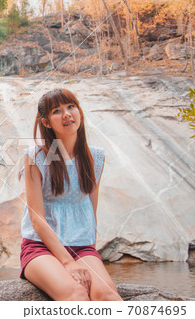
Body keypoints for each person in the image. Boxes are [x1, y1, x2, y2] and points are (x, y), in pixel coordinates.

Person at [19, 88, 122, 301]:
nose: (66, 114)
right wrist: (67, 263)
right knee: (76, 293)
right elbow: (37, 219)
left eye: (70, 107)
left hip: (81, 247)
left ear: (79, 111)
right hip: (40, 247)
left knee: (107, 295)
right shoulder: (35, 157)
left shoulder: (95, 157)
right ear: (46, 122)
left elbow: (90, 210)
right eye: (57, 111)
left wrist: (89, 257)